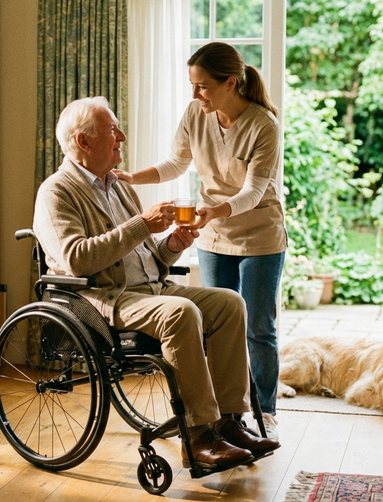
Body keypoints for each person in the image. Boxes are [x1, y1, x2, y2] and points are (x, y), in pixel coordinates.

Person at [33, 96, 279, 470]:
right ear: (83, 142)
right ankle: (197, 436)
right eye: (113, 129)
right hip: (104, 298)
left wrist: (171, 247)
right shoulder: (57, 191)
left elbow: (145, 256)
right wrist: (143, 225)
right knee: (180, 312)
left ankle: (229, 421)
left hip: (151, 290)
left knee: (230, 303)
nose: (122, 136)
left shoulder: (116, 186)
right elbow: (77, 258)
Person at [114, 42, 288, 439]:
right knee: (218, 324)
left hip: (260, 234)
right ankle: (227, 414)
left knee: (258, 326)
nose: (195, 95)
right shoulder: (197, 112)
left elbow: (255, 191)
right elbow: (177, 162)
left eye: (203, 87)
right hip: (213, 233)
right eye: (192, 86)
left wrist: (217, 210)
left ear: (230, 83)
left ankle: (267, 412)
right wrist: (131, 178)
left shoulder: (263, 125)